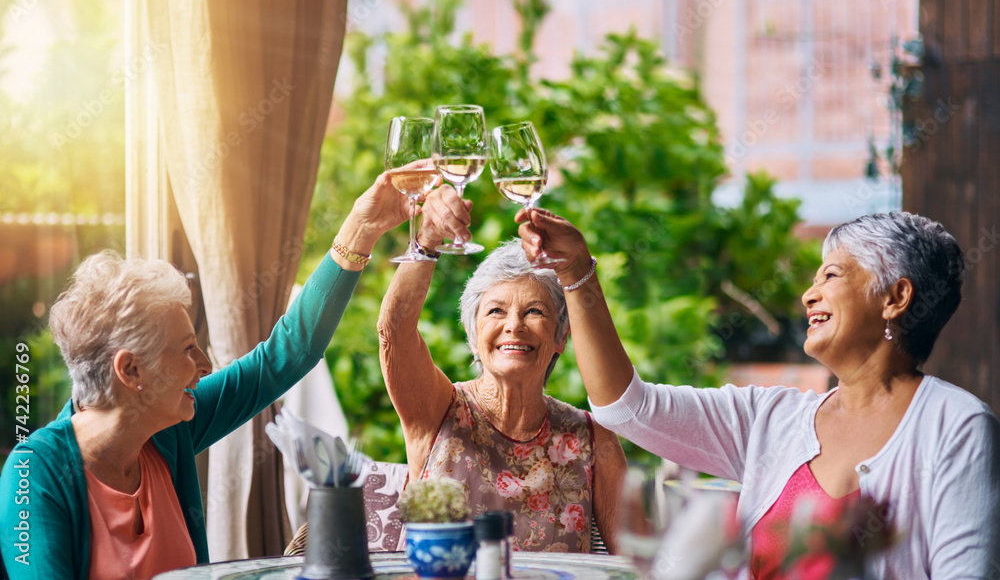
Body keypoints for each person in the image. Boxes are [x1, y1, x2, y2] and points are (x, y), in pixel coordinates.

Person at [0, 163, 456, 580]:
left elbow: (286, 354)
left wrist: (362, 228)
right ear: (131, 370)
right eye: (187, 350)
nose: (203, 365)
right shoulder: (34, 475)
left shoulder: (165, 432)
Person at [514, 208, 1000, 578]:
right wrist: (576, 274)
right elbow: (628, 407)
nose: (809, 295)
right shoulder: (772, 417)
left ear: (896, 297)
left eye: (831, 275)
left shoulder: (956, 426)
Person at [376, 187, 627, 554]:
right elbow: (394, 332)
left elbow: (639, 561)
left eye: (535, 312)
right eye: (496, 311)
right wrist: (428, 239)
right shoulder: (438, 409)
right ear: (474, 336)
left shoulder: (593, 437)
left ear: (562, 337)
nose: (514, 326)